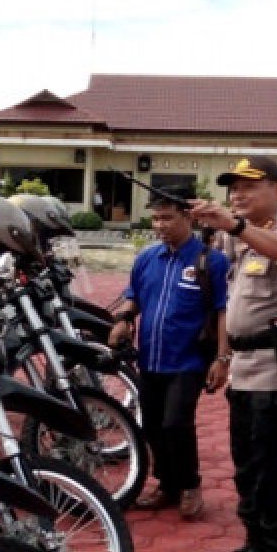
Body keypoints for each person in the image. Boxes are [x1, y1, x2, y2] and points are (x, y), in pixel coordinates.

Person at [189, 156, 277, 552]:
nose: (238, 194)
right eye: (233, 187)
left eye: (250, 185)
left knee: (275, 470)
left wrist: (236, 226)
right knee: (248, 466)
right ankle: (255, 548)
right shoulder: (237, 241)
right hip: (245, 369)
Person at [108, 193, 230, 518]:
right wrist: (122, 320)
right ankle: (167, 485)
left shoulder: (211, 262)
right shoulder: (147, 258)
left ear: (188, 218)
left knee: (176, 424)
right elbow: (133, 297)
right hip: (149, 360)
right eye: (156, 218)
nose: (160, 225)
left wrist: (222, 358)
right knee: (151, 426)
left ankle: (190, 485)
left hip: (189, 361)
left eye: (168, 218)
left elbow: (223, 312)